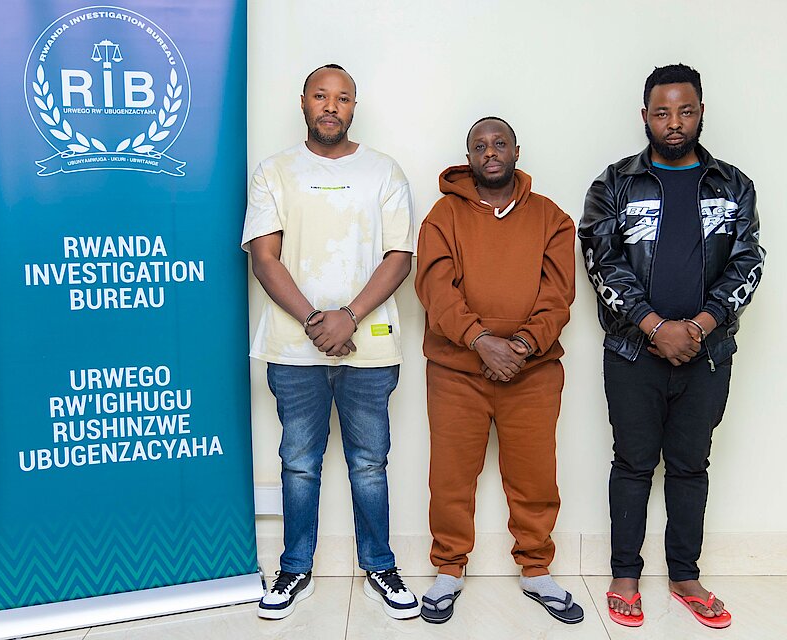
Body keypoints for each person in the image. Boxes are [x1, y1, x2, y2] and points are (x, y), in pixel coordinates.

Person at [579, 63, 764, 630]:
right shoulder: (613, 184)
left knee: (690, 465)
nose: (674, 123)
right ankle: (625, 575)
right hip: (633, 353)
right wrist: (655, 326)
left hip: (708, 355)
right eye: (662, 113)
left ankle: (685, 575)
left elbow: (748, 262)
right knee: (632, 464)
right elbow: (601, 260)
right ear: (645, 116)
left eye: (685, 111)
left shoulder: (734, 185)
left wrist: (700, 327)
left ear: (701, 112)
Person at [242, 63, 420, 620]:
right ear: (303, 102)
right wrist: (317, 321)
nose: (331, 106)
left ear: (353, 108)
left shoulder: (384, 172)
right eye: (321, 96)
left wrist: (348, 317)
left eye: (342, 98)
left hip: (370, 346)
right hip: (292, 349)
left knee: (370, 463)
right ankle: (295, 568)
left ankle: (380, 566)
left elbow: (400, 257)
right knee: (299, 463)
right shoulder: (275, 171)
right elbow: (264, 258)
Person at [414, 117, 583, 625]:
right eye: (479, 146)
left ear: (516, 151)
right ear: (468, 157)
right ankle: (448, 569)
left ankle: (536, 570)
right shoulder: (442, 216)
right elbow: (435, 290)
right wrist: (481, 342)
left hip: (532, 373)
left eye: (499, 143)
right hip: (456, 372)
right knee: (450, 477)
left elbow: (558, 296)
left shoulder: (552, 218)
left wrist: (521, 346)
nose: (490, 152)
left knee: (535, 477)